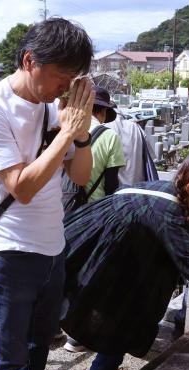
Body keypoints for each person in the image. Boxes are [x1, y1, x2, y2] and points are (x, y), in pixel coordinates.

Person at [0, 18, 95, 370]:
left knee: (41, 343)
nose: (65, 87)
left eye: (73, 79)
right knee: (6, 350)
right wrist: (66, 133)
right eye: (61, 76)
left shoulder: (51, 108)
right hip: (7, 248)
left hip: (51, 244)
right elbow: (21, 187)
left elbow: (80, 175)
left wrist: (81, 135)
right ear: (29, 61)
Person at [61, 151, 189, 370]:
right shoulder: (168, 211)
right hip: (96, 254)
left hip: (113, 255)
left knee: (126, 312)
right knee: (118, 316)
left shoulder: (171, 193)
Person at [63, 86, 124, 353]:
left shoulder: (64, 129)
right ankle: (78, 335)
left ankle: (59, 325)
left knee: (66, 269)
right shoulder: (110, 137)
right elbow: (112, 185)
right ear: (103, 111)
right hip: (95, 214)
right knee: (91, 271)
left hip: (65, 210)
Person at [105, 108, 156, 186]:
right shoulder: (136, 127)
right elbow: (150, 155)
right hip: (138, 185)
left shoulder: (104, 128)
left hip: (114, 188)